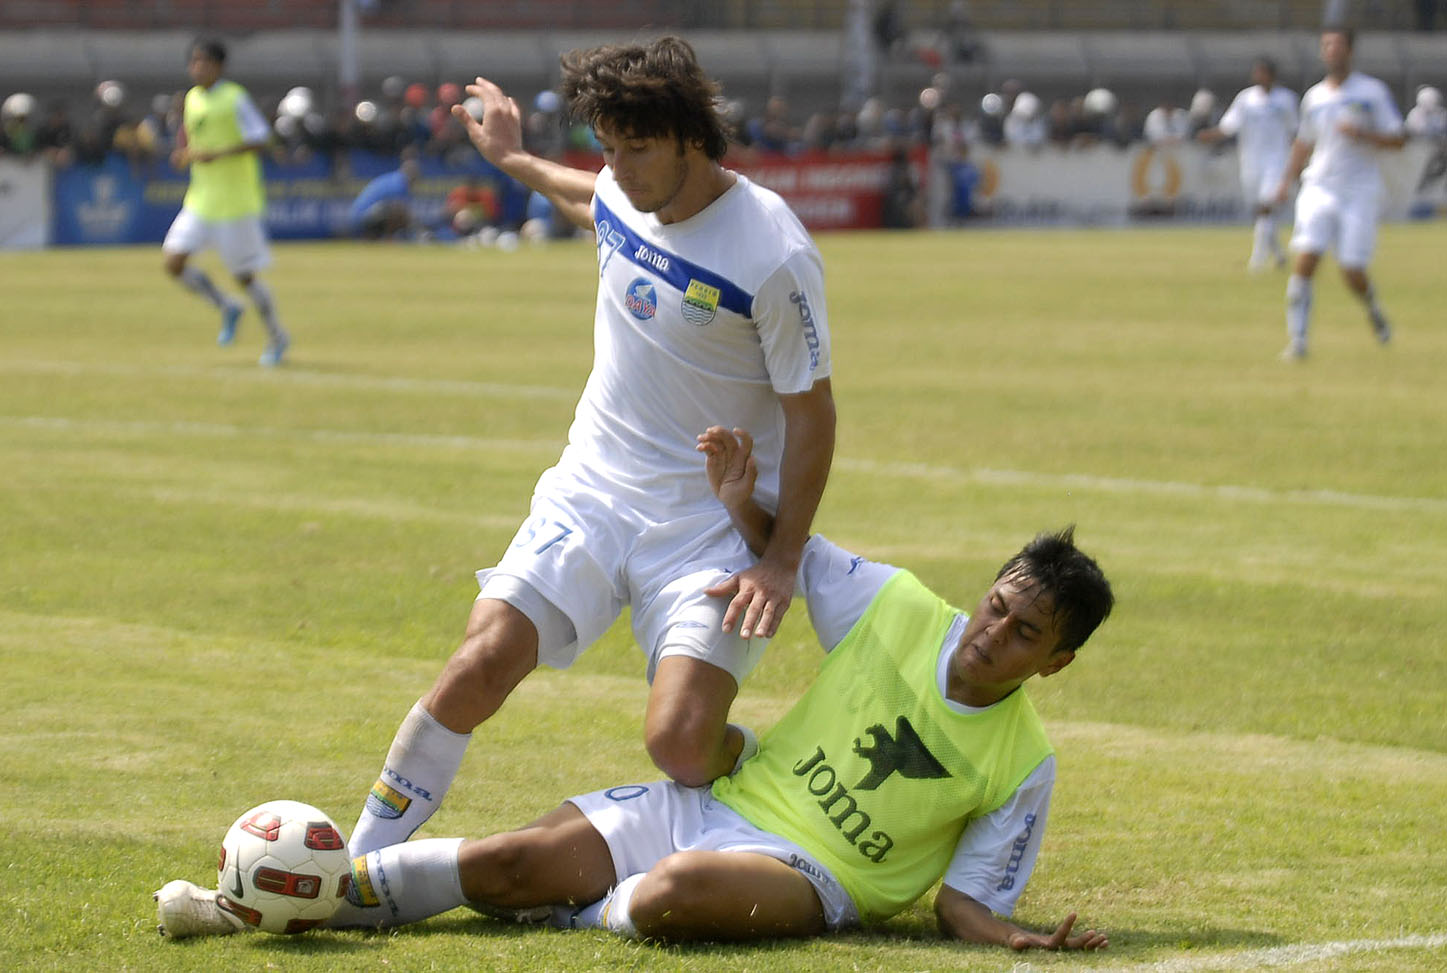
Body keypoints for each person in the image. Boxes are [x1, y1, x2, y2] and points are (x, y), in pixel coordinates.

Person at [154, 426, 1112, 952]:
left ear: (1054, 662)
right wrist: (741, 499)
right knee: (507, 862)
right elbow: (796, 555)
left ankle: (585, 902)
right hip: (710, 804)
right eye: (995, 605)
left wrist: (1011, 937)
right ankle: (258, 899)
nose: (990, 633)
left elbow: (961, 902)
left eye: (1023, 631)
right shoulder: (898, 605)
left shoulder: (1023, 762)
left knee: (672, 895)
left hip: (810, 877)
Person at [344, 37, 837, 861]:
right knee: (479, 661)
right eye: (608, 146)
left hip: (709, 524)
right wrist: (508, 155)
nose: (620, 167)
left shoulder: (772, 253)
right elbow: (589, 198)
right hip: (594, 489)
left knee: (680, 747)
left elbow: (814, 413)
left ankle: (757, 762)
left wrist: (781, 559)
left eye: (637, 148)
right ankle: (354, 861)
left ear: (689, 135)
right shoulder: (621, 188)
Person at [1273, 27, 1405, 361]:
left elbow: (1398, 138)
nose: (1330, 51)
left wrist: (1363, 134)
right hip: (1319, 186)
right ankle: (1298, 342)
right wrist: (1285, 181)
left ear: (1350, 51)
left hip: (1359, 190)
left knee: (1351, 270)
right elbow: (1304, 142)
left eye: (1337, 45)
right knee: (1306, 258)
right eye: (1326, 45)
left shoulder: (1371, 92)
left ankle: (1372, 306)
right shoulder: (1314, 96)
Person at [162, 38, 290, 367]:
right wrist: (186, 155)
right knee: (173, 262)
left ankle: (277, 337)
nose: (197, 67)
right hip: (201, 200)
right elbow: (196, 142)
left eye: (204, 61)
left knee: (245, 276)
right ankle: (226, 306)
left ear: (219, 66)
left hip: (236, 203)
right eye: (194, 61)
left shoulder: (234, 98)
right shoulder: (192, 99)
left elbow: (261, 138)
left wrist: (216, 155)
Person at [1197, 58, 1299, 271]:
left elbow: (1294, 131)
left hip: (1276, 161)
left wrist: (1296, 164)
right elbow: (1229, 126)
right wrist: (1210, 135)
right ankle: (1279, 254)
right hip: (1250, 162)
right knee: (1259, 210)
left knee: (1266, 207)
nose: (1257, 77)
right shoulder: (1245, 99)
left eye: (1261, 72)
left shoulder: (1286, 99)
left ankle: (1258, 260)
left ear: (1271, 75)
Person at [348, 155, 421, 240]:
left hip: (362, 216)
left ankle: (376, 239)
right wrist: (419, 230)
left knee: (396, 209)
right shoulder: (399, 183)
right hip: (362, 217)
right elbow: (402, 211)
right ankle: (387, 239)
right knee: (397, 210)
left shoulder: (395, 178)